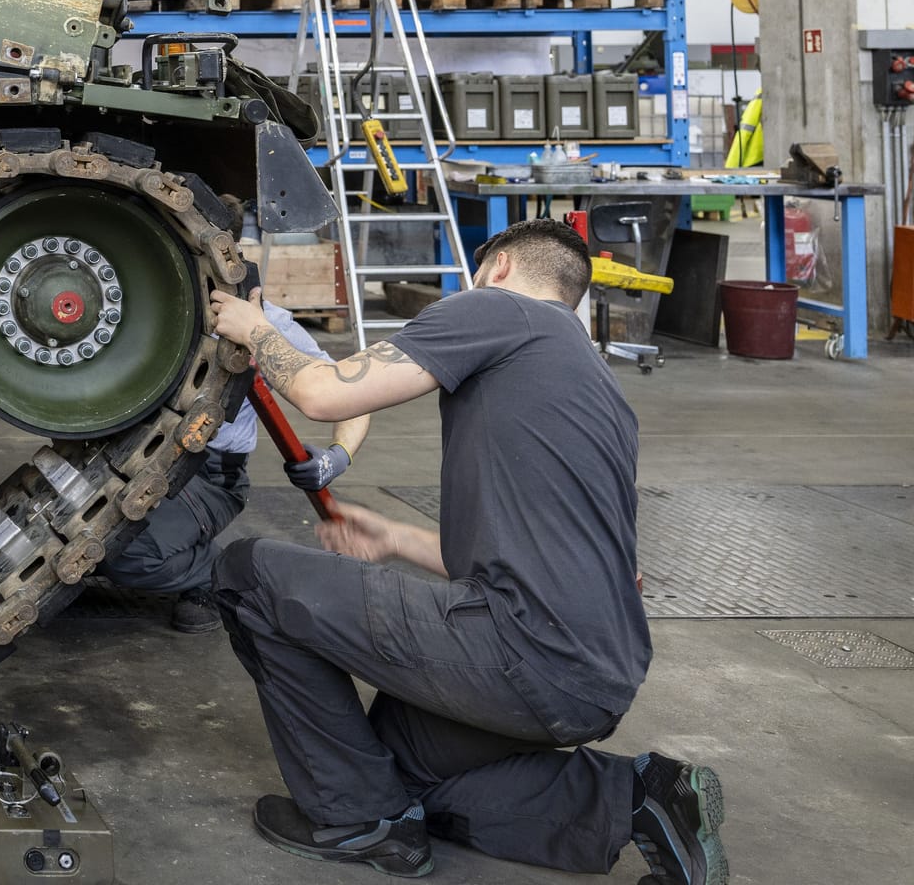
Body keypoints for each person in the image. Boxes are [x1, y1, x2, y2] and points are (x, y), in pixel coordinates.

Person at [204, 219, 726, 884]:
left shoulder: (499, 309)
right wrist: (395, 539)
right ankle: (643, 799)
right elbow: (561, 560)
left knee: (250, 576)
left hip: (525, 653)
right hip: (597, 674)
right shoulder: (598, 390)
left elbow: (321, 392)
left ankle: (360, 824)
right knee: (395, 767)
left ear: (499, 267)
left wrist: (252, 326)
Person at [100, 299, 369, 634]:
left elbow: (352, 395)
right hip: (125, 453)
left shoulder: (269, 324)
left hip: (205, 474)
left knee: (125, 550)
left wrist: (338, 455)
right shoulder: (135, 297)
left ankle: (222, 570)